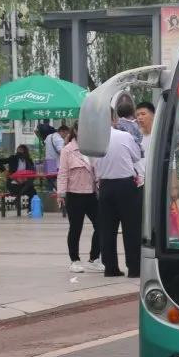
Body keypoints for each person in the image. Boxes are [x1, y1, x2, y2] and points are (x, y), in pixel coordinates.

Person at [97, 111, 144, 277]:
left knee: (107, 229)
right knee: (131, 228)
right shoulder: (125, 136)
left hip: (105, 186)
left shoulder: (94, 140)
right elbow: (137, 156)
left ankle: (110, 268)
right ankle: (134, 268)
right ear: (114, 119)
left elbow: (92, 163)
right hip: (125, 185)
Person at [58, 123, 104, 273]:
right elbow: (63, 173)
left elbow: (98, 170)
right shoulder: (67, 150)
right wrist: (61, 194)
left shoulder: (93, 149)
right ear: (76, 131)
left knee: (101, 225)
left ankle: (94, 259)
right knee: (75, 228)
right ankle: (74, 260)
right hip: (74, 194)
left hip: (92, 194)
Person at [0, 145, 38, 213]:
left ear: (25, 152)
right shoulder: (13, 158)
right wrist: (5, 172)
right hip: (13, 185)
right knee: (30, 185)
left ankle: (29, 209)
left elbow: (32, 173)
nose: (19, 152)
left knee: (33, 192)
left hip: (24, 184)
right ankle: (18, 198)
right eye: (18, 151)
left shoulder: (29, 161)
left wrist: (25, 179)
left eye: (21, 151)